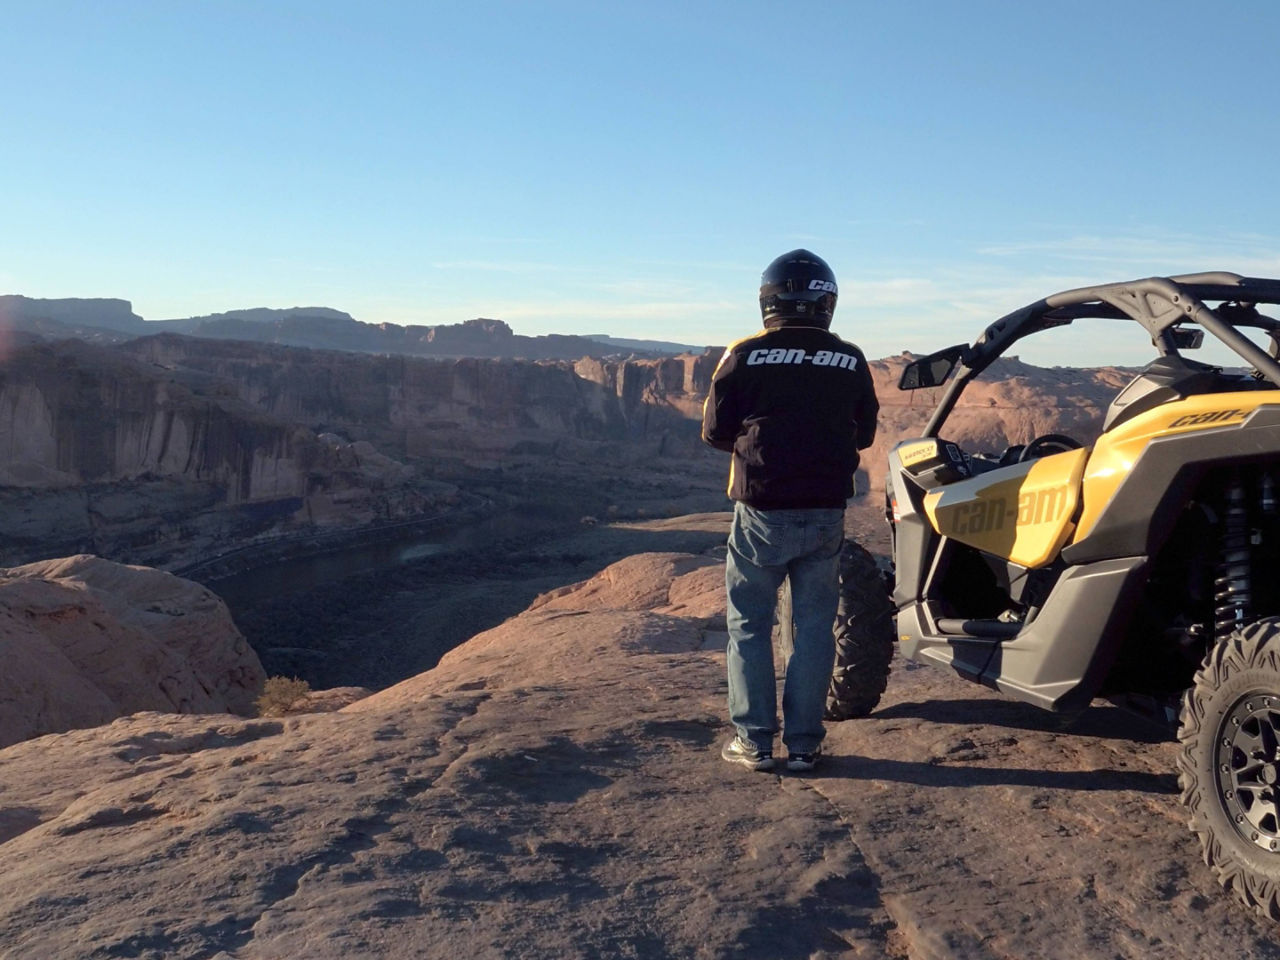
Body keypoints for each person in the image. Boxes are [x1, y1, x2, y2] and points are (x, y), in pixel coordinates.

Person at [701, 249, 879, 773]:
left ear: (768, 301)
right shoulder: (849, 357)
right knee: (815, 626)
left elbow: (715, 432)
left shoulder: (745, 353)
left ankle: (754, 742)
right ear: (827, 303)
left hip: (761, 509)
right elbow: (864, 433)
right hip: (825, 509)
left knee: (750, 625)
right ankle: (804, 744)